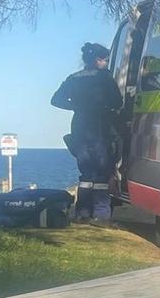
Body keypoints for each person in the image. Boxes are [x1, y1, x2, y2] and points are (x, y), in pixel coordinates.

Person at [51, 42, 122, 224]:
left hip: (80, 127)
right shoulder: (105, 79)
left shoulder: (73, 78)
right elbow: (117, 103)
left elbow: (56, 100)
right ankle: (101, 214)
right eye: (105, 60)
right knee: (101, 173)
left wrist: (76, 106)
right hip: (100, 127)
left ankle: (82, 212)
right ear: (98, 60)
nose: (107, 63)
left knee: (85, 172)